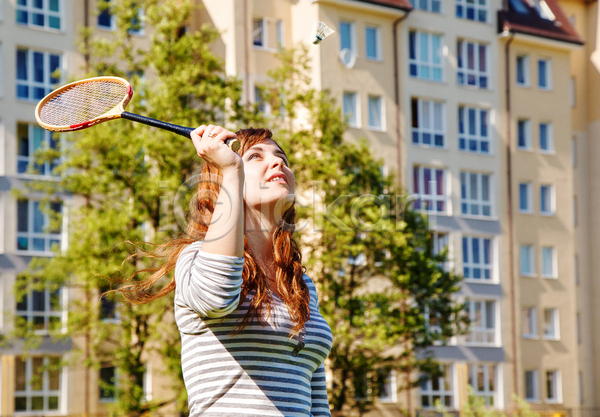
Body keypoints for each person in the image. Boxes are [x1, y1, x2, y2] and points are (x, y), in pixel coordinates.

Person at [118, 125, 332, 416]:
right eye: (255, 156)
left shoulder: (301, 283)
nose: (278, 162)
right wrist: (232, 169)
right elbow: (217, 297)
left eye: (281, 156)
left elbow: (316, 399)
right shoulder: (193, 258)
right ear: (223, 180)